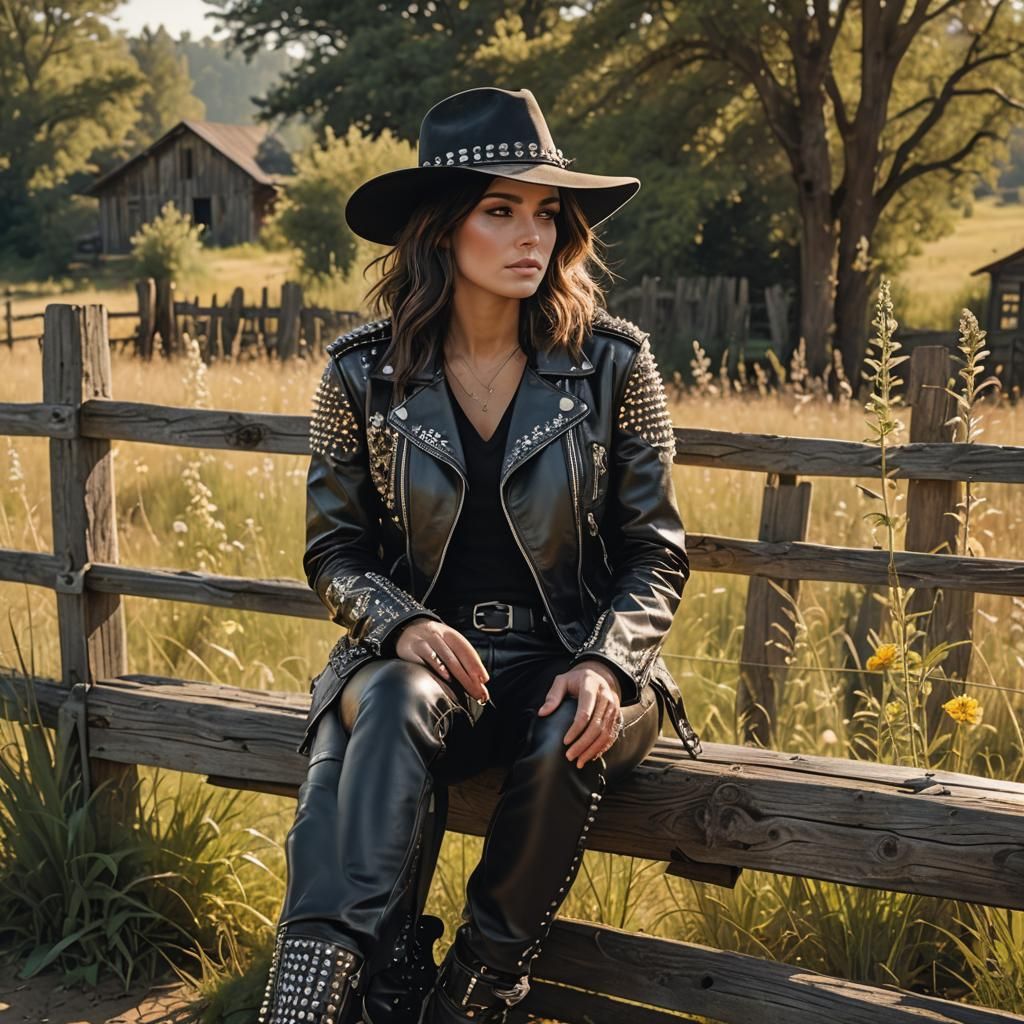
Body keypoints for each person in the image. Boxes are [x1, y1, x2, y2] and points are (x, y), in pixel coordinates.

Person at [258, 86, 701, 1024]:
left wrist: (608, 664)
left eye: (545, 212)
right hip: (429, 672)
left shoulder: (617, 363)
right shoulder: (360, 374)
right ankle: (362, 986)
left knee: (562, 726)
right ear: (442, 229)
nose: (528, 235)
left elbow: (655, 554)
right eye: (499, 210)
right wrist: (401, 621)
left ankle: (477, 989)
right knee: (389, 694)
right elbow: (334, 552)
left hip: (576, 660)